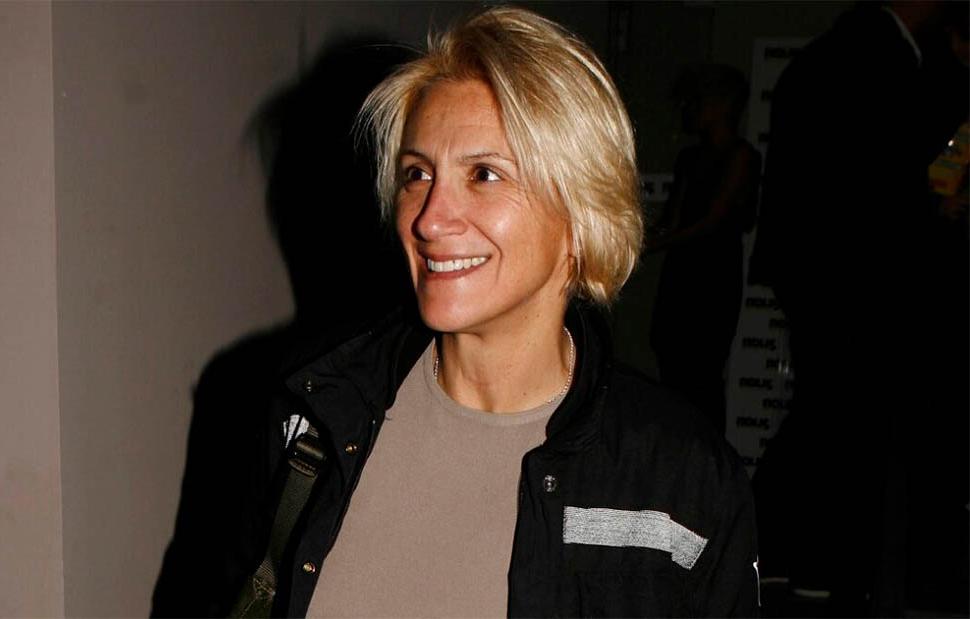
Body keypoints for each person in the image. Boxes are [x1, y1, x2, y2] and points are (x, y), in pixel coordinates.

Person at [152, 7, 758, 617]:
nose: (430, 218)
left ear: (582, 214)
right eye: (417, 173)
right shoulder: (312, 409)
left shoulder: (682, 477)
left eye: (484, 174)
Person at [648, 64, 761, 435]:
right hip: (683, 272)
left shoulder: (741, 156)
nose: (688, 109)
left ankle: (707, 455)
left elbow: (712, 221)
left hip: (714, 276)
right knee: (672, 363)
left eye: (695, 101)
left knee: (703, 374)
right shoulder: (690, 159)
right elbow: (673, 220)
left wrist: (649, 246)